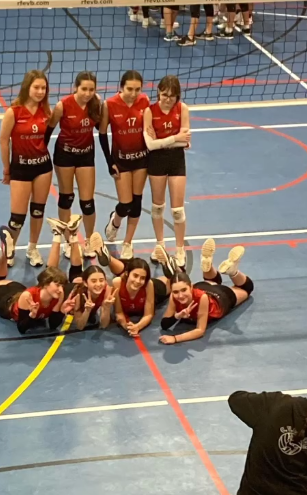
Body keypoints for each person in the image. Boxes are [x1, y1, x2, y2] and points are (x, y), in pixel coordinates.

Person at [0, 224, 77, 335]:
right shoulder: (28, 297)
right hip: (4, 300)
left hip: (18, 289)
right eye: (57, 285)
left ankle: (5, 254)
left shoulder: (58, 296)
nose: (60, 289)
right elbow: (22, 328)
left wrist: (61, 310)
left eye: (62, 286)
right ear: (45, 284)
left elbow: (52, 325)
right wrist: (32, 315)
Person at [45, 71, 102, 260]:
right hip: (65, 154)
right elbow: (48, 131)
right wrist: (41, 154)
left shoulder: (96, 103)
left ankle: (89, 240)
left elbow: (100, 127)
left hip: (86, 155)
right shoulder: (63, 106)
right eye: (84, 89)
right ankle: (69, 241)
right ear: (75, 88)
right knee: (66, 197)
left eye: (91, 89)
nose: (87, 93)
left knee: (87, 202)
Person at [0, 69, 52, 268]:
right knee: (17, 217)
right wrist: (7, 169)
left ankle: (33, 248)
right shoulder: (14, 112)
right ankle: (10, 248)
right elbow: (4, 141)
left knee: (38, 211)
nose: (40, 91)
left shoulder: (47, 111)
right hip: (20, 169)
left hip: (43, 168)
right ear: (27, 87)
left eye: (43, 88)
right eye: (36, 87)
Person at [157, 239, 253, 344]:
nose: (180, 295)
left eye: (184, 290)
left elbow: (200, 330)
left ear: (191, 287)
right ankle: (208, 266)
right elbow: (164, 324)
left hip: (219, 297)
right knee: (213, 281)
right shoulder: (174, 296)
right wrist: (177, 316)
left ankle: (232, 272)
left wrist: (175, 338)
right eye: (176, 292)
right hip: (202, 286)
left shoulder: (202, 297)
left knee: (246, 288)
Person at [99, 70, 150, 260]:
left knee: (137, 203)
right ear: (121, 87)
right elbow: (102, 134)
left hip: (141, 159)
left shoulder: (144, 101)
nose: (133, 93)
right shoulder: (109, 104)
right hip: (121, 160)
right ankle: (115, 220)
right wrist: (109, 161)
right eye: (129, 89)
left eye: (137, 89)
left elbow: (150, 129)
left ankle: (127, 243)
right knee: (126, 204)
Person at [143, 75, 190, 268]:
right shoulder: (149, 111)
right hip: (156, 161)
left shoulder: (182, 109)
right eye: (164, 95)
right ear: (158, 92)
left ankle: (180, 249)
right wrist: (175, 138)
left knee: (177, 211)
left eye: (172, 95)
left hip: (176, 160)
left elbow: (185, 141)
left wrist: (162, 141)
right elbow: (150, 145)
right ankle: (160, 245)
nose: (168, 99)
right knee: (157, 207)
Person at [89, 232, 170, 336]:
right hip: (126, 280)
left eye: (142, 278)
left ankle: (171, 268)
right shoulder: (117, 283)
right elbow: (119, 313)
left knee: (170, 283)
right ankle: (107, 257)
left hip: (153, 291)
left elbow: (148, 314)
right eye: (135, 276)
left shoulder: (148, 284)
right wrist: (127, 326)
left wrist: (137, 327)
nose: (138, 280)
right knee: (128, 276)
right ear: (127, 274)